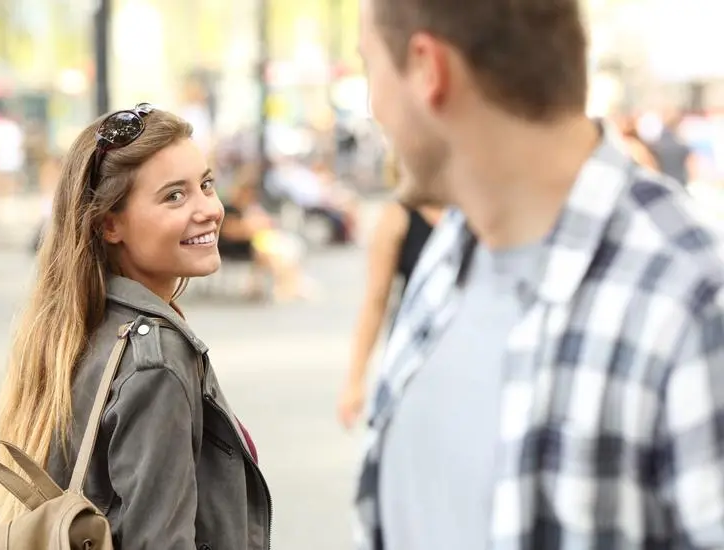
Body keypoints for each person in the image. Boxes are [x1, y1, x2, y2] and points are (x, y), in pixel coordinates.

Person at [355, 1, 724, 549]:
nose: (372, 107)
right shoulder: (446, 260)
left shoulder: (690, 304)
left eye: (369, 68)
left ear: (429, 69)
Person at [0, 104, 272, 549]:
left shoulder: (81, 326)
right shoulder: (156, 361)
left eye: (206, 185)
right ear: (110, 224)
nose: (209, 210)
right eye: (175, 196)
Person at [337, 154, 442, 429]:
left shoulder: (471, 208)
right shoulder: (397, 215)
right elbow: (376, 300)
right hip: (416, 351)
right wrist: (355, 381)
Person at [219, 164, 312, 302]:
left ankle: (291, 284)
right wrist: (250, 228)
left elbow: (264, 223)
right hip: (236, 245)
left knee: (284, 248)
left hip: (254, 240)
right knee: (270, 253)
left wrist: (254, 226)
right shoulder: (228, 208)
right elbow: (230, 231)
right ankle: (283, 286)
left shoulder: (249, 208)